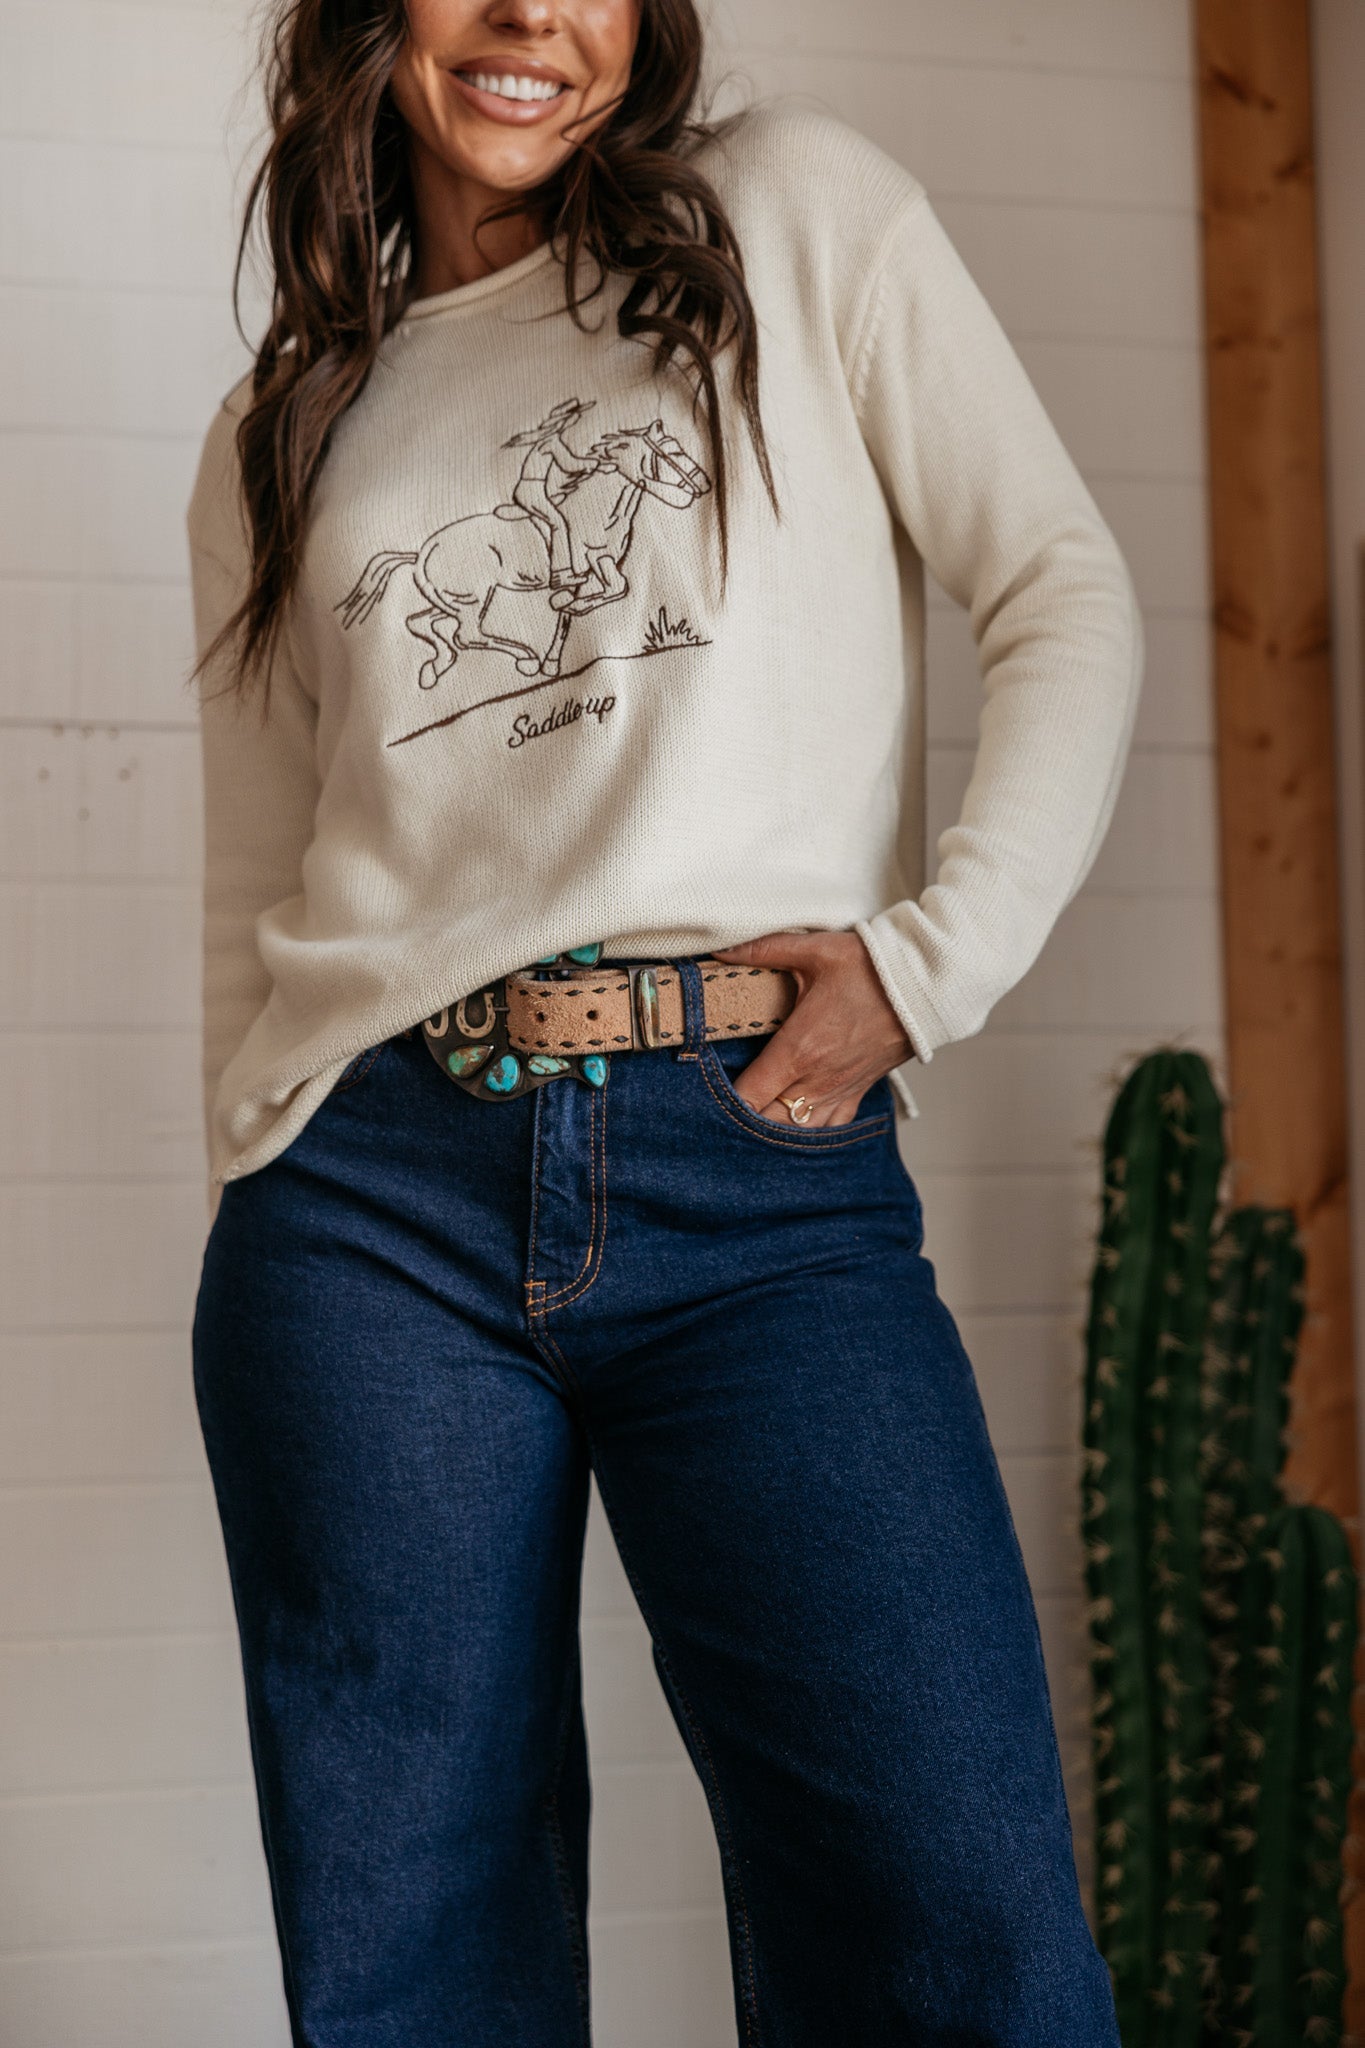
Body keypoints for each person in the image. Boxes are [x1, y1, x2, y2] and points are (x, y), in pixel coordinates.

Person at [186, 0, 1142, 2041]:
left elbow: (1057, 584)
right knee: (413, 1960)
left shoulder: (789, 211)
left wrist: (925, 957)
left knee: (953, 1922)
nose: (537, 17)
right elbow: (254, 872)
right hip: (368, 1216)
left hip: (756, 1162)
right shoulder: (284, 422)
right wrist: (257, 1151)